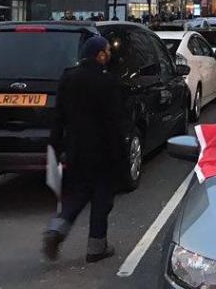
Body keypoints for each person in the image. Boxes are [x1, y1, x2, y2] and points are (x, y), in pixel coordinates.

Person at [43, 36, 126, 263]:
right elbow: (115, 121)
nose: (109, 54)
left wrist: (55, 146)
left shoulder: (68, 78)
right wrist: (121, 153)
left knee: (77, 194)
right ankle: (96, 247)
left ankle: (56, 229)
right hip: (103, 151)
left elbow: (59, 116)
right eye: (107, 51)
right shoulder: (108, 82)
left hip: (76, 149)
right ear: (100, 54)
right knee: (102, 198)